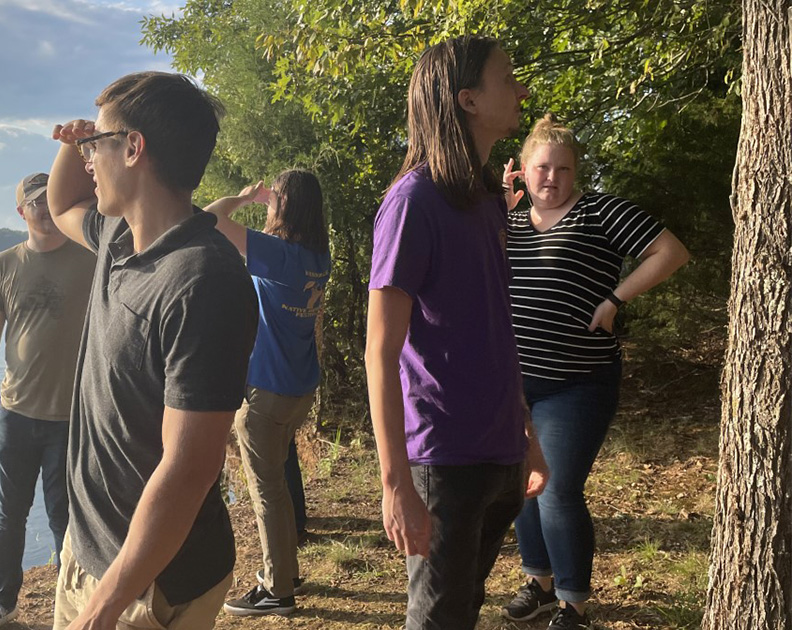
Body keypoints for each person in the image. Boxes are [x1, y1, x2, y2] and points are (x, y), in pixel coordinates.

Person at [46, 71, 259, 630]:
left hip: (149, 587)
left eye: (100, 145)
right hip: (93, 552)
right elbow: (62, 199)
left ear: (135, 148)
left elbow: (189, 468)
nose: (89, 159)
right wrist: (80, 141)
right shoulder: (118, 239)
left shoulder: (202, 280)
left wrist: (107, 603)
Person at [364, 35, 549, 630]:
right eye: (506, 79)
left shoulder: (488, 199)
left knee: (462, 610)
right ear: (467, 99)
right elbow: (380, 349)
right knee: (438, 620)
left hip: (499, 449)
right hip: (442, 457)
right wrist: (395, 484)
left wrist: (524, 427)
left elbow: (494, 322)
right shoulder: (412, 201)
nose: (520, 90)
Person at [500, 114, 690, 630]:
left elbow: (670, 251)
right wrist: (496, 206)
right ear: (523, 169)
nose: (551, 178)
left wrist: (615, 297)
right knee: (521, 481)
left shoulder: (599, 212)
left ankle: (572, 605)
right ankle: (538, 584)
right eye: (542, 168)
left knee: (558, 487)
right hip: (516, 385)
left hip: (578, 383)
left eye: (563, 169)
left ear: (576, 172)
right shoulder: (510, 220)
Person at [0, 173, 97, 630]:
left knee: (66, 518)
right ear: (21, 212)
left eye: (48, 200)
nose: (43, 208)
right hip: (14, 413)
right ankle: (2, 602)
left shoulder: (90, 256)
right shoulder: (4, 265)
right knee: (7, 516)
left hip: (70, 418)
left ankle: (70, 601)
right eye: (34, 202)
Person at [203, 170, 330, 616]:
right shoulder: (317, 257)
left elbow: (207, 220)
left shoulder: (278, 255)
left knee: (266, 491)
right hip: (299, 388)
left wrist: (240, 198)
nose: (269, 202)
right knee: (276, 484)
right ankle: (287, 572)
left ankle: (277, 590)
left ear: (286, 205)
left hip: (267, 391)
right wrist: (269, 201)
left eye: (276, 197)